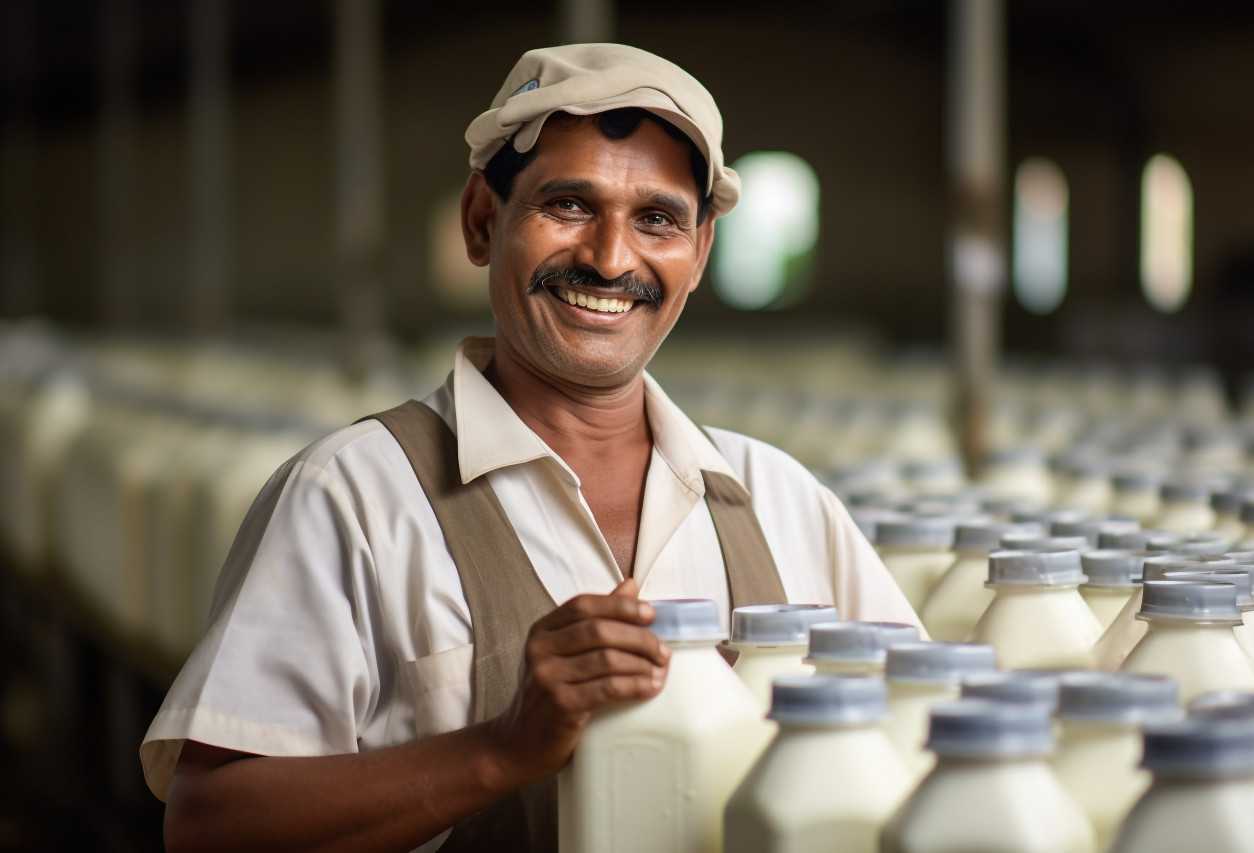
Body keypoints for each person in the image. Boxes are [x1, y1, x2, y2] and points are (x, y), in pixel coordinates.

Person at [141, 43, 923, 853]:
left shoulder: (780, 499)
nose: (612, 259)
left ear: (700, 255)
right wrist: (500, 747)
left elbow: (921, 750)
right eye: (570, 206)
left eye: (656, 218)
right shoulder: (355, 496)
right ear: (484, 221)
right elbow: (209, 824)